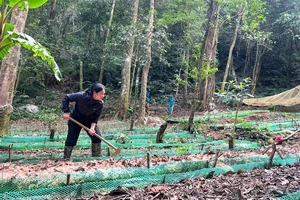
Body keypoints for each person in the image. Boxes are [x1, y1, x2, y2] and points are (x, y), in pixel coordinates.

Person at [61, 83, 105, 160]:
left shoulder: (100, 104)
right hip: (75, 119)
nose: (103, 96)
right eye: (101, 94)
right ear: (95, 93)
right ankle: (66, 159)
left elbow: (95, 118)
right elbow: (66, 98)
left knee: (97, 138)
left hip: (89, 120)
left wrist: (92, 128)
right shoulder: (81, 96)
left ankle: (96, 158)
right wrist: (66, 111)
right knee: (71, 140)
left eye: (104, 94)